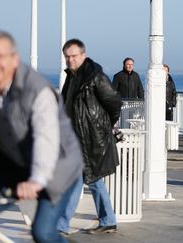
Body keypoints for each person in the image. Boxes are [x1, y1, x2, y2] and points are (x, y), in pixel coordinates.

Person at [0, 30, 84, 242]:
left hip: (56, 167)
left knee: (43, 232)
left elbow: (46, 140)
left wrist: (36, 180)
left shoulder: (37, 90)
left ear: (15, 59)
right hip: (11, 165)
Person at [57, 39, 122, 235]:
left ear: (83, 55)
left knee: (84, 180)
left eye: (73, 56)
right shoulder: (72, 76)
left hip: (92, 139)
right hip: (77, 139)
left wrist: (105, 125)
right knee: (90, 180)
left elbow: (114, 102)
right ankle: (107, 220)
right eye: (67, 57)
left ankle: (61, 225)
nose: (70, 60)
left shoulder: (95, 76)